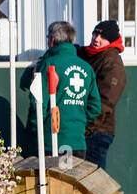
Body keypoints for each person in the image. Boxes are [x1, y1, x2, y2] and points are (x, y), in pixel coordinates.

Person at [21, 20, 100, 160]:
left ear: (52, 41)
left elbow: (38, 103)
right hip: (77, 141)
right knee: (72, 181)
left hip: (51, 142)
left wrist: (35, 129)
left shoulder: (48, 64)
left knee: (53, 182)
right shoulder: (87, 68)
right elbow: (95, 107)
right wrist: (78, 123)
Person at [78, 20, 126, 170]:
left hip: (96, 132)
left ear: (110, 41)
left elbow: (104, 103)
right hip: (87, 130)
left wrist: (85, 129)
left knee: (93, 182)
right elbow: (69, 50)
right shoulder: (91, 54)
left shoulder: (112, 63)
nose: (96, 39)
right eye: (95, 33)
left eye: (102, 36)